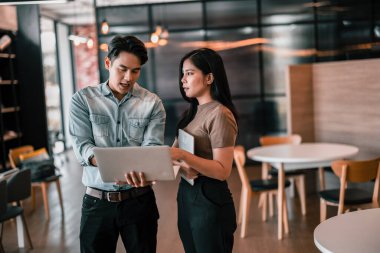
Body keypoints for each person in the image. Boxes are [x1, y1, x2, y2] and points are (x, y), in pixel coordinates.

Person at [69, 35, 166, 253]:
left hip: (139, 201)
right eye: (122, 69)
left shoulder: (152, 104)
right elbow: (82, 146)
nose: (128, 77)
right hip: (97, 203)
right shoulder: (82, 100)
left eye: (135, 70)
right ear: (107, 63)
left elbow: (152, 146)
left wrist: (145, 168)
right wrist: (109, 165)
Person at [170, 48, 238, 253]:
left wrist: (183, 156)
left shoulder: (220, 114)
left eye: (189, 73)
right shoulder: (191, 112)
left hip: (209, 198)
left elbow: (222, 170)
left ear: (209, 77)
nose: (183, 80)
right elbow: (174, 156)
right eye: (182, 74)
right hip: (187, 195)